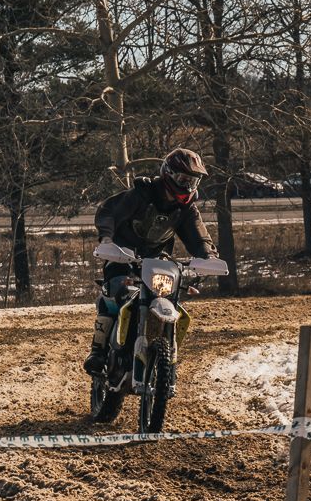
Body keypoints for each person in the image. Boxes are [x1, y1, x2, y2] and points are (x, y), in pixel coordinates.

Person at [84, 148, 216, 379]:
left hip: (157, 262)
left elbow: (199, 236)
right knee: (117, 291)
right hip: (122, 256)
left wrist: (208, 257)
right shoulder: (141, 194)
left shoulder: (186, 208)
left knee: (168, 297)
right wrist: (106, 238)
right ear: (169, 174)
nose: (187, 186)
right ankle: (97, 351)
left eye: (192, 181)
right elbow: (108, 212)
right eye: (184, 179)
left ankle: (164, 356)